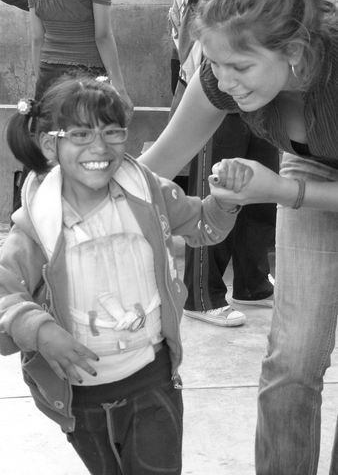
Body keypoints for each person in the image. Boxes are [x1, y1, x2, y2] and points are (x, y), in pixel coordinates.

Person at [139, 0, 338, 474]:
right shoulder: (223, 73)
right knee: (292, 360)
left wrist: (282, 192)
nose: (223, 82)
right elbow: (156, 162)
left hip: (296, 183)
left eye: (240, 68)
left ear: (293, 54)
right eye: (216, 64)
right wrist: (72, 195)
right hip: (309, 170)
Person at [0, 72, 245, 475]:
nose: (100, 146)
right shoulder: (37, 224)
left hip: (152, 380)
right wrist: (40, 331)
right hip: (80, 397)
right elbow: (7, 292)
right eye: (80, 134)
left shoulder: (148, 193)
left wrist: (225, 199)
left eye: (113, 132)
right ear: (50, 144)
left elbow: (203, 226)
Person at [169, 0, 278, 327]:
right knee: (218, 186)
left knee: (259, 182)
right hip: (220, 88)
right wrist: (203, 83)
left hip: (257, 91)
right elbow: (196, 26)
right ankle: (202, 295)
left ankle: (253, 284)